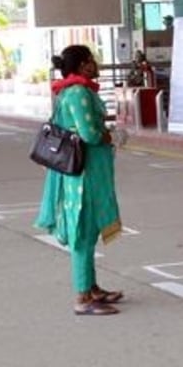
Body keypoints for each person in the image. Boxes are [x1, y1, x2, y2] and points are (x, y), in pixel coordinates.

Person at [35, 45, 125, 316]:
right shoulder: (78, 93)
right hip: (83, 177)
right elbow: (89, 134)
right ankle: (84, 297)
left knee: (88, 230)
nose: (96, 64)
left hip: (84, 173)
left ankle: (92, 287)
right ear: (83, 65)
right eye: (91, 61)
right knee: (83, 233)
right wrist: (112, 136)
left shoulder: (72, 90)